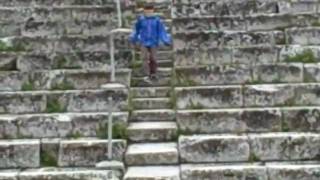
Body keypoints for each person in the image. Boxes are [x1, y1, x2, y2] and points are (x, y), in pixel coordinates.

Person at [130, 2, 172, 82]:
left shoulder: (157, 20)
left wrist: (165, 40)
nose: (148, 13)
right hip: (143, 41)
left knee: (153, 58)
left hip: (153, 42)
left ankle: (153, 73)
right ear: (144, 11)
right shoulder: (141, 20)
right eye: (147, 11)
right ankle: (147, 73)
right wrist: (134, 38)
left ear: (153, 11)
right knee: (144, 58)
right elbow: (137, 30)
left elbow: (161, 31)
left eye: (150, 11)